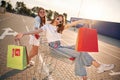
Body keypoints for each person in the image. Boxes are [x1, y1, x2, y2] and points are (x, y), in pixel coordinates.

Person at [15, 15, 114, 80]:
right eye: (58, 19)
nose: (59, 21)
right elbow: (36, 31)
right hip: (54, 49)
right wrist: (23, 33)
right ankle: (99, 66)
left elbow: (73, 24)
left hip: (60, 47)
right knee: (79, 53)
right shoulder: (47, 26)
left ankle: (85, 76)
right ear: (55, 18)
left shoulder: (60, 28)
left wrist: (83, 20)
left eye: (61, 21)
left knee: (79, 48)